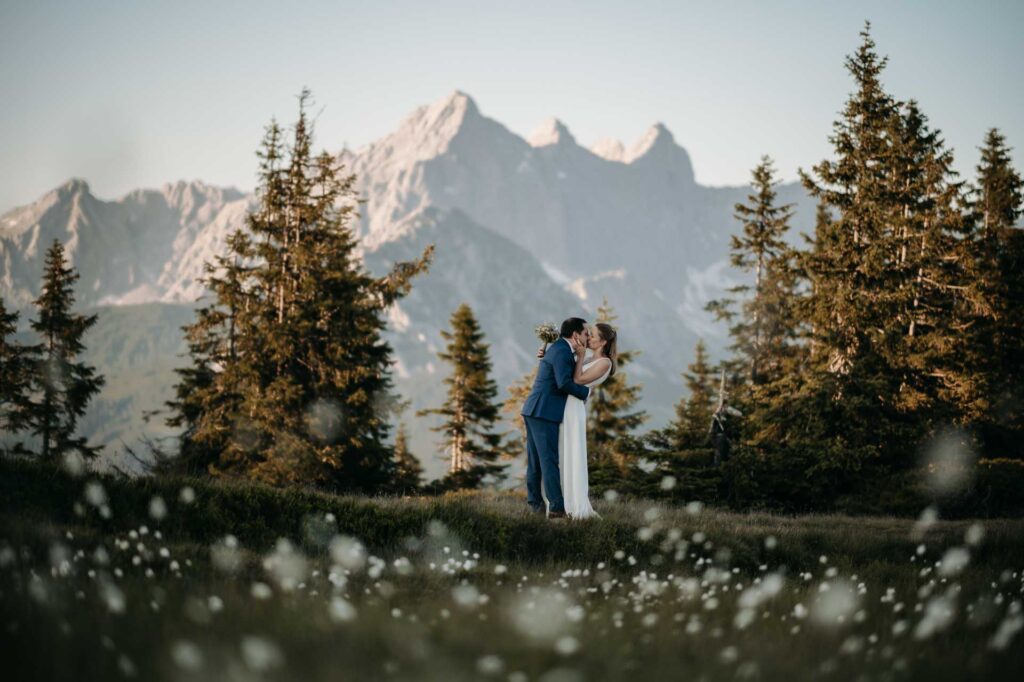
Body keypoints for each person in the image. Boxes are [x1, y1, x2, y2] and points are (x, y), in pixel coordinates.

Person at [520, 318, 591, 519]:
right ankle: (557, 507)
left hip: (535, 410)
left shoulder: (560, 348)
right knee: (548, 460)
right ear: (575, 334)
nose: (588, 337)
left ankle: (536, 506)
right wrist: (586, 392)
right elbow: (563, 383)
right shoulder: (561, 351)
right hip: (543, 412)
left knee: (536, 462)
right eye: (586, 333)